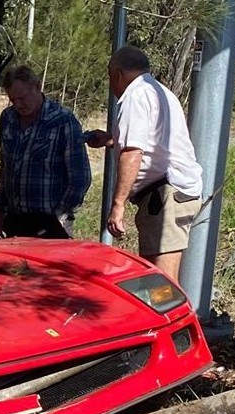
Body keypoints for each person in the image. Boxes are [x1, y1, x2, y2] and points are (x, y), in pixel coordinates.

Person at [86, 46, 203, 284]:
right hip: (169, 194)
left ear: (118, 74)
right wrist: (111, 139)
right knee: (153, 279)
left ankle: (175, 322)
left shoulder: (135, 96)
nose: (111, 85)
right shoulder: (158, 91)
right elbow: (153, 141)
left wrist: (118, 205)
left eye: (110, 77)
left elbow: (133, 152)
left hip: (166, 195)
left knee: (163, 284)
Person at [0, 65, 91, 240]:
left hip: (51, 222)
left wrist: (61, 214)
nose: (18, 105)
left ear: (37, 87)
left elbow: (80, 177)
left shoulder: (63, 121)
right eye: (13, 100)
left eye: (22, 98)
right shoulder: (8, 119)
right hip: (14, 220)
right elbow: (5, 169)